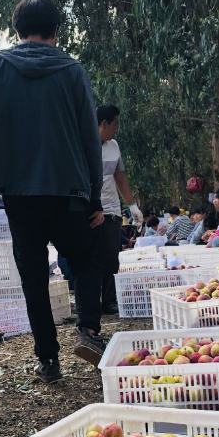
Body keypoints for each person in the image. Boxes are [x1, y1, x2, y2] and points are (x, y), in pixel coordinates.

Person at [0, 0, 105, 383]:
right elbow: (90, 140)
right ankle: (89, 330)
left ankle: (48, 359)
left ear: (17, 30)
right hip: (69, 190)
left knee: (33, 275)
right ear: (56, 32)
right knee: (89, 256)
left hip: (19, 193)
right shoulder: (72, 71)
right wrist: (94, 195)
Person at [97, 104, 143, 313]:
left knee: (110, 256)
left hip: (111, 209)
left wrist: (131, 205)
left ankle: (108, 301)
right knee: (89, 258)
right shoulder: (81, 143)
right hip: (87, 210)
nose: (116, 129)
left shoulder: (113, 146)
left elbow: (120, 176)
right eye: (114, 124)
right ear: (103, 124)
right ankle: (88, 304)